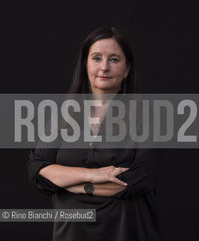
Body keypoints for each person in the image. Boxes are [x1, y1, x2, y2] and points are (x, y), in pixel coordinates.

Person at [27, 26, 162, 241]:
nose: (104, 67)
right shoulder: (64, 116)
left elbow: (133, 181)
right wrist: (93, 175)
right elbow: (36, 170)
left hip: (126, 232)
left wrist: (67, 180)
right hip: (71, 234)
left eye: (114, 59)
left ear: (127, 69)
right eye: (96, 58)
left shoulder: (147, 119)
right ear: (85, 64)